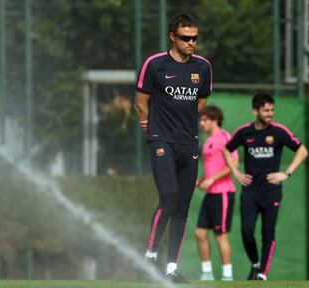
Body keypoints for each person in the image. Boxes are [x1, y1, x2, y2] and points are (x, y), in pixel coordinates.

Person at [134, 13, 212, 283]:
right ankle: (150, 256)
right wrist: (148, 125)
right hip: (161, 140)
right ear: (173, 37)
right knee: (168, 196)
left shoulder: (203, 67)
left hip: (188, 142)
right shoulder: (154, 64)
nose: (191, 42)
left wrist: (185, 122)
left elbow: (200, 103)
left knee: (182, 207)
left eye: (195, 38)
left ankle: (171, 270)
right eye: (185, 38)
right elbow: (140, 101)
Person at [223, 92, 308, 281]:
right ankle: (255, 263)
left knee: (268, 232)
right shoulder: (245, 132)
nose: (270, 114)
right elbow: (226, 150)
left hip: (272, 190)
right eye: (266, 110)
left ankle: (262, 275)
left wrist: (286, 173)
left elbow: (302, 150)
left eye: (272, 110)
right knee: (247, 231)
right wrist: (236, 173)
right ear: (255, 111)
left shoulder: (279, 131)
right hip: (250, 189)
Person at [195, 106, 238, 281]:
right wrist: (200, 181)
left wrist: (212, 180)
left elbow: (233, 165)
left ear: (215, 120)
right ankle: (207, 274)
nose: (201, 123)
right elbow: (211, 169)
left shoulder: (225, 138)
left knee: (220, 235)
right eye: (201, 120)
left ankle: (228, 276)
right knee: (200, 233)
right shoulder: (208, 141)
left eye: (205, 120)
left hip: (223, 194)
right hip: (210, 195)